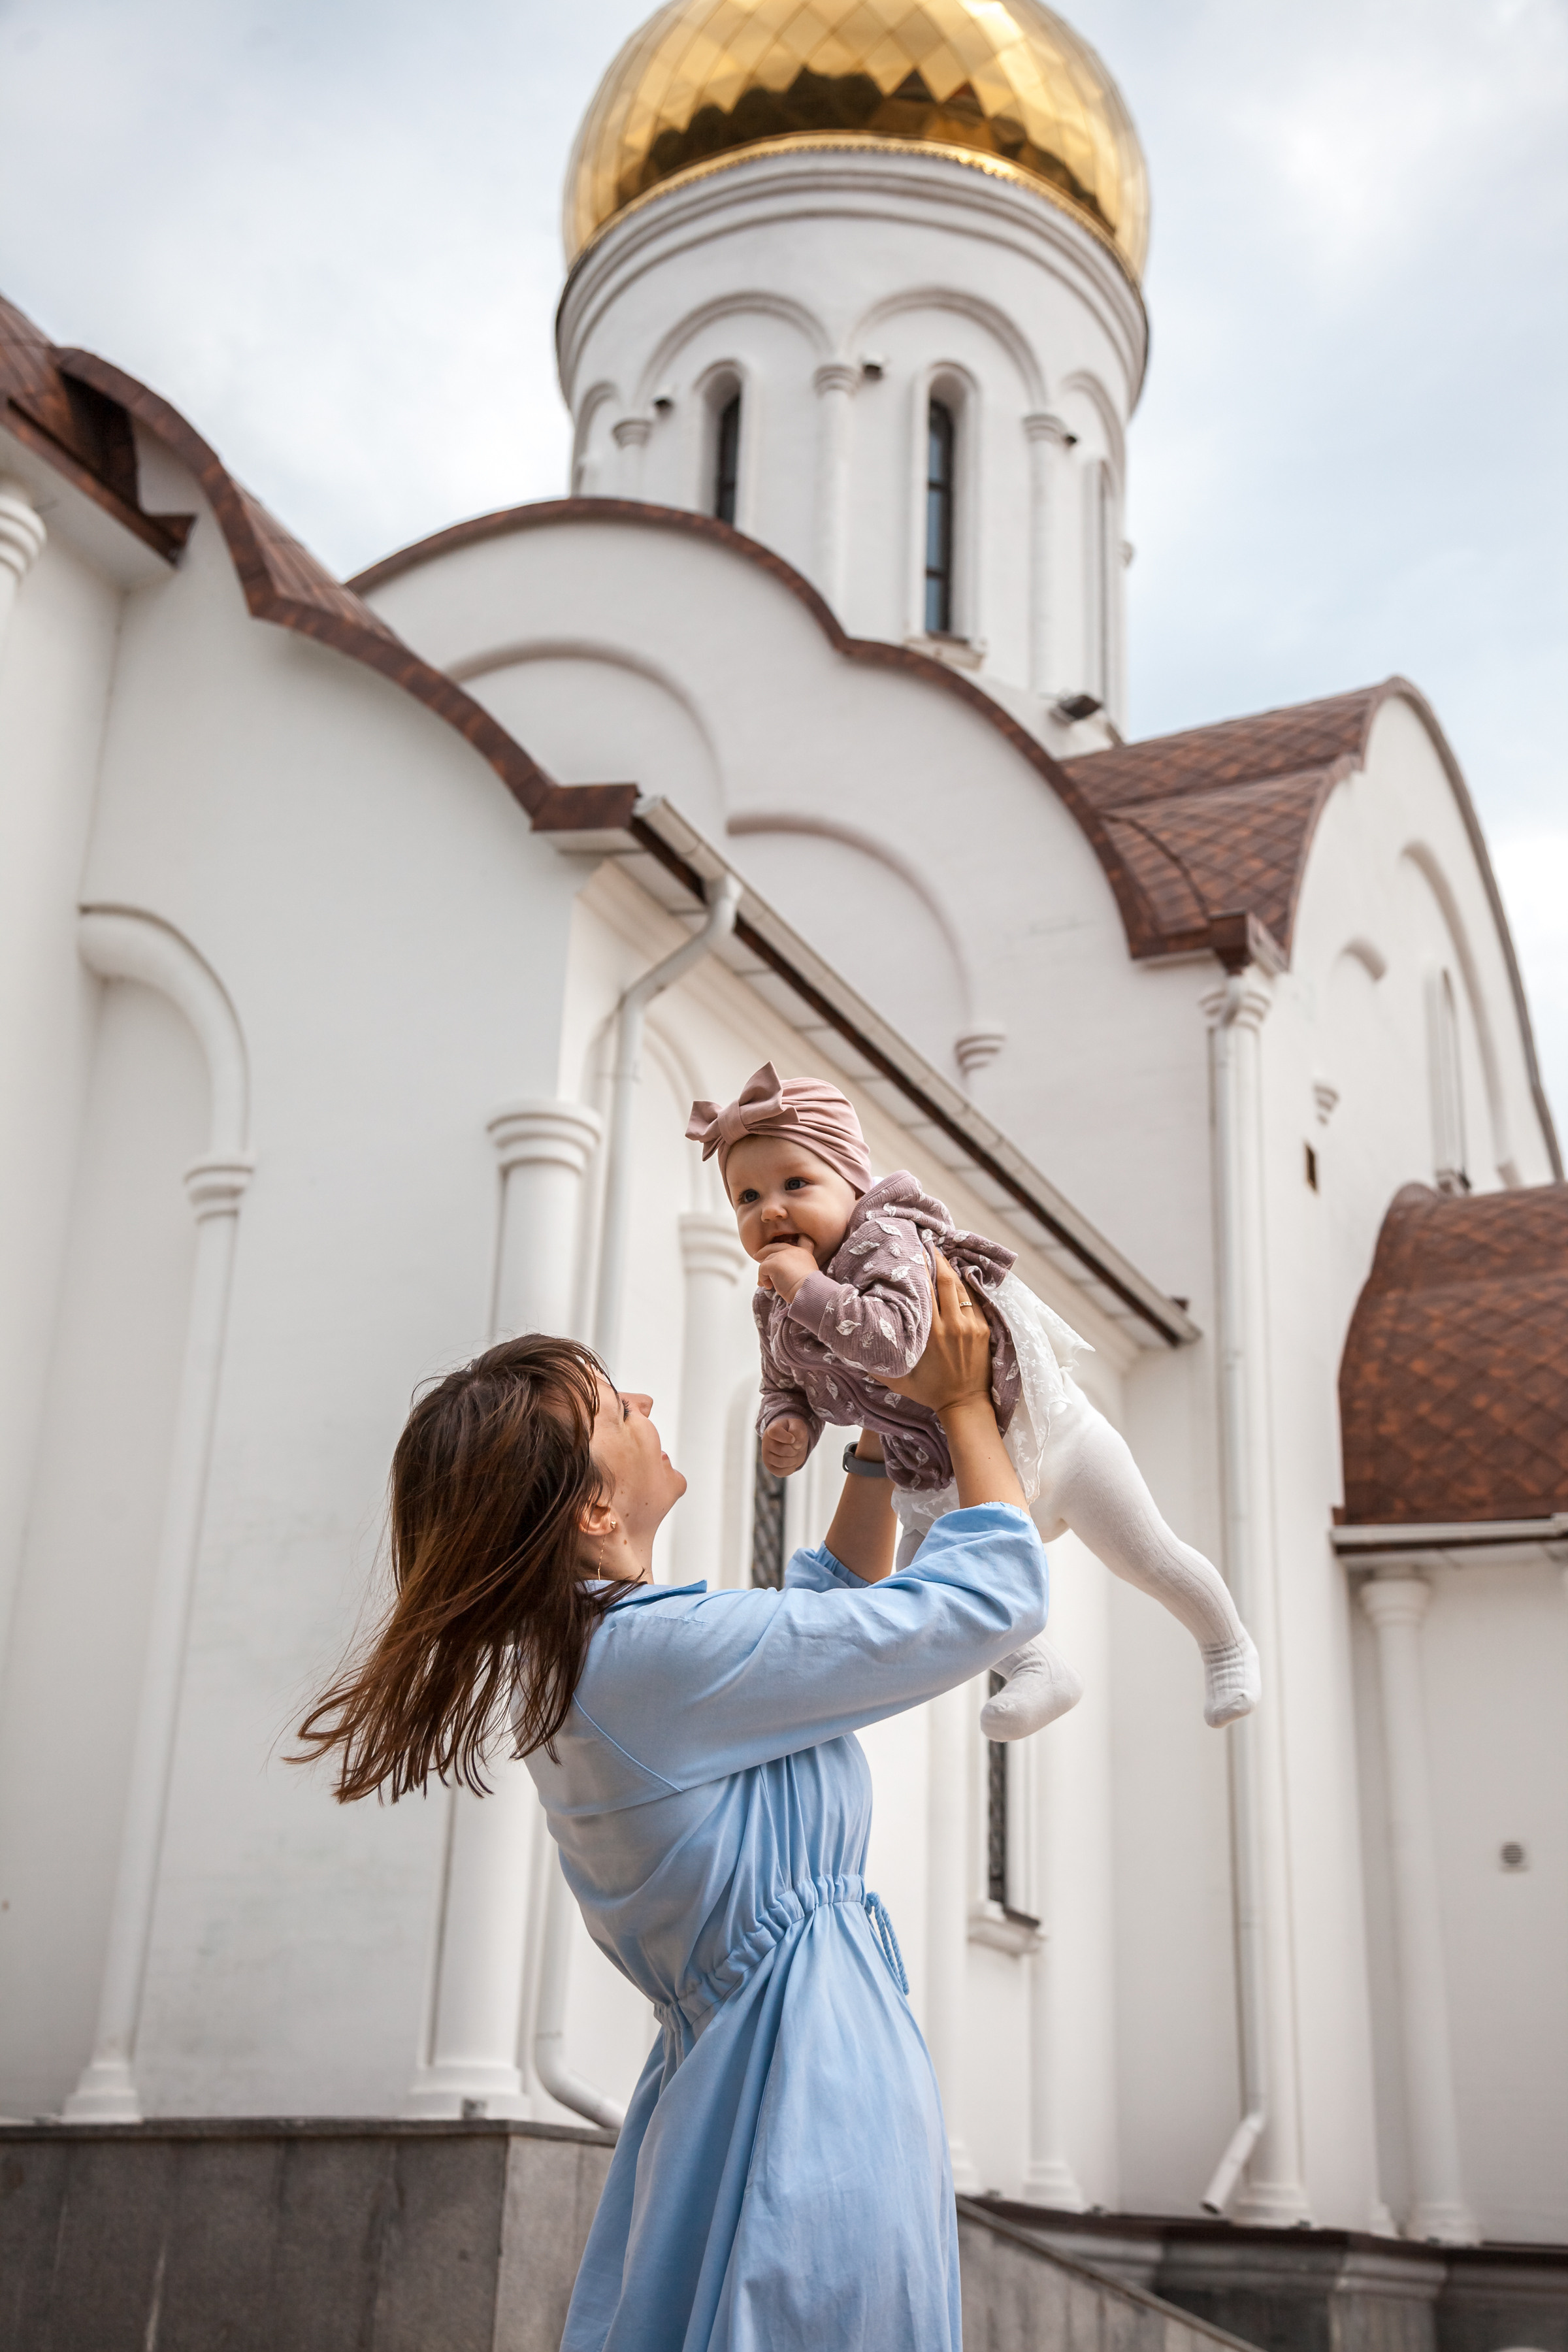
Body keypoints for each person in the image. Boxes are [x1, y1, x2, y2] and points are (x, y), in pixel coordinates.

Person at [297, 1253, 1044, 2351]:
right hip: (805, 2079)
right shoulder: (645, 1661)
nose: (644, 1403)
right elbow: (992, 1604)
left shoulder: (610, 1658)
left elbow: (818, 1625)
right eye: (613, 1409)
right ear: (594, 1506)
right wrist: (963, 1405)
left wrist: (883, 1438)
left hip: (765, 2061)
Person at [686, 1061, 1260, 1739]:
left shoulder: (887, 1243)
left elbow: (898, 1348)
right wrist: (787, 1423)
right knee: (928, 1586)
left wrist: (809, 1290)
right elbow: (782, 1379)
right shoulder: (776, 1302)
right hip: (947, 1479)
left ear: (853, 1185)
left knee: (1147, 1554)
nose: (770, 1209)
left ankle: (1226, 1643)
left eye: (795, 1185)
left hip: (1051, 1440)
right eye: (746, 1198)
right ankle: (1037, 1667)